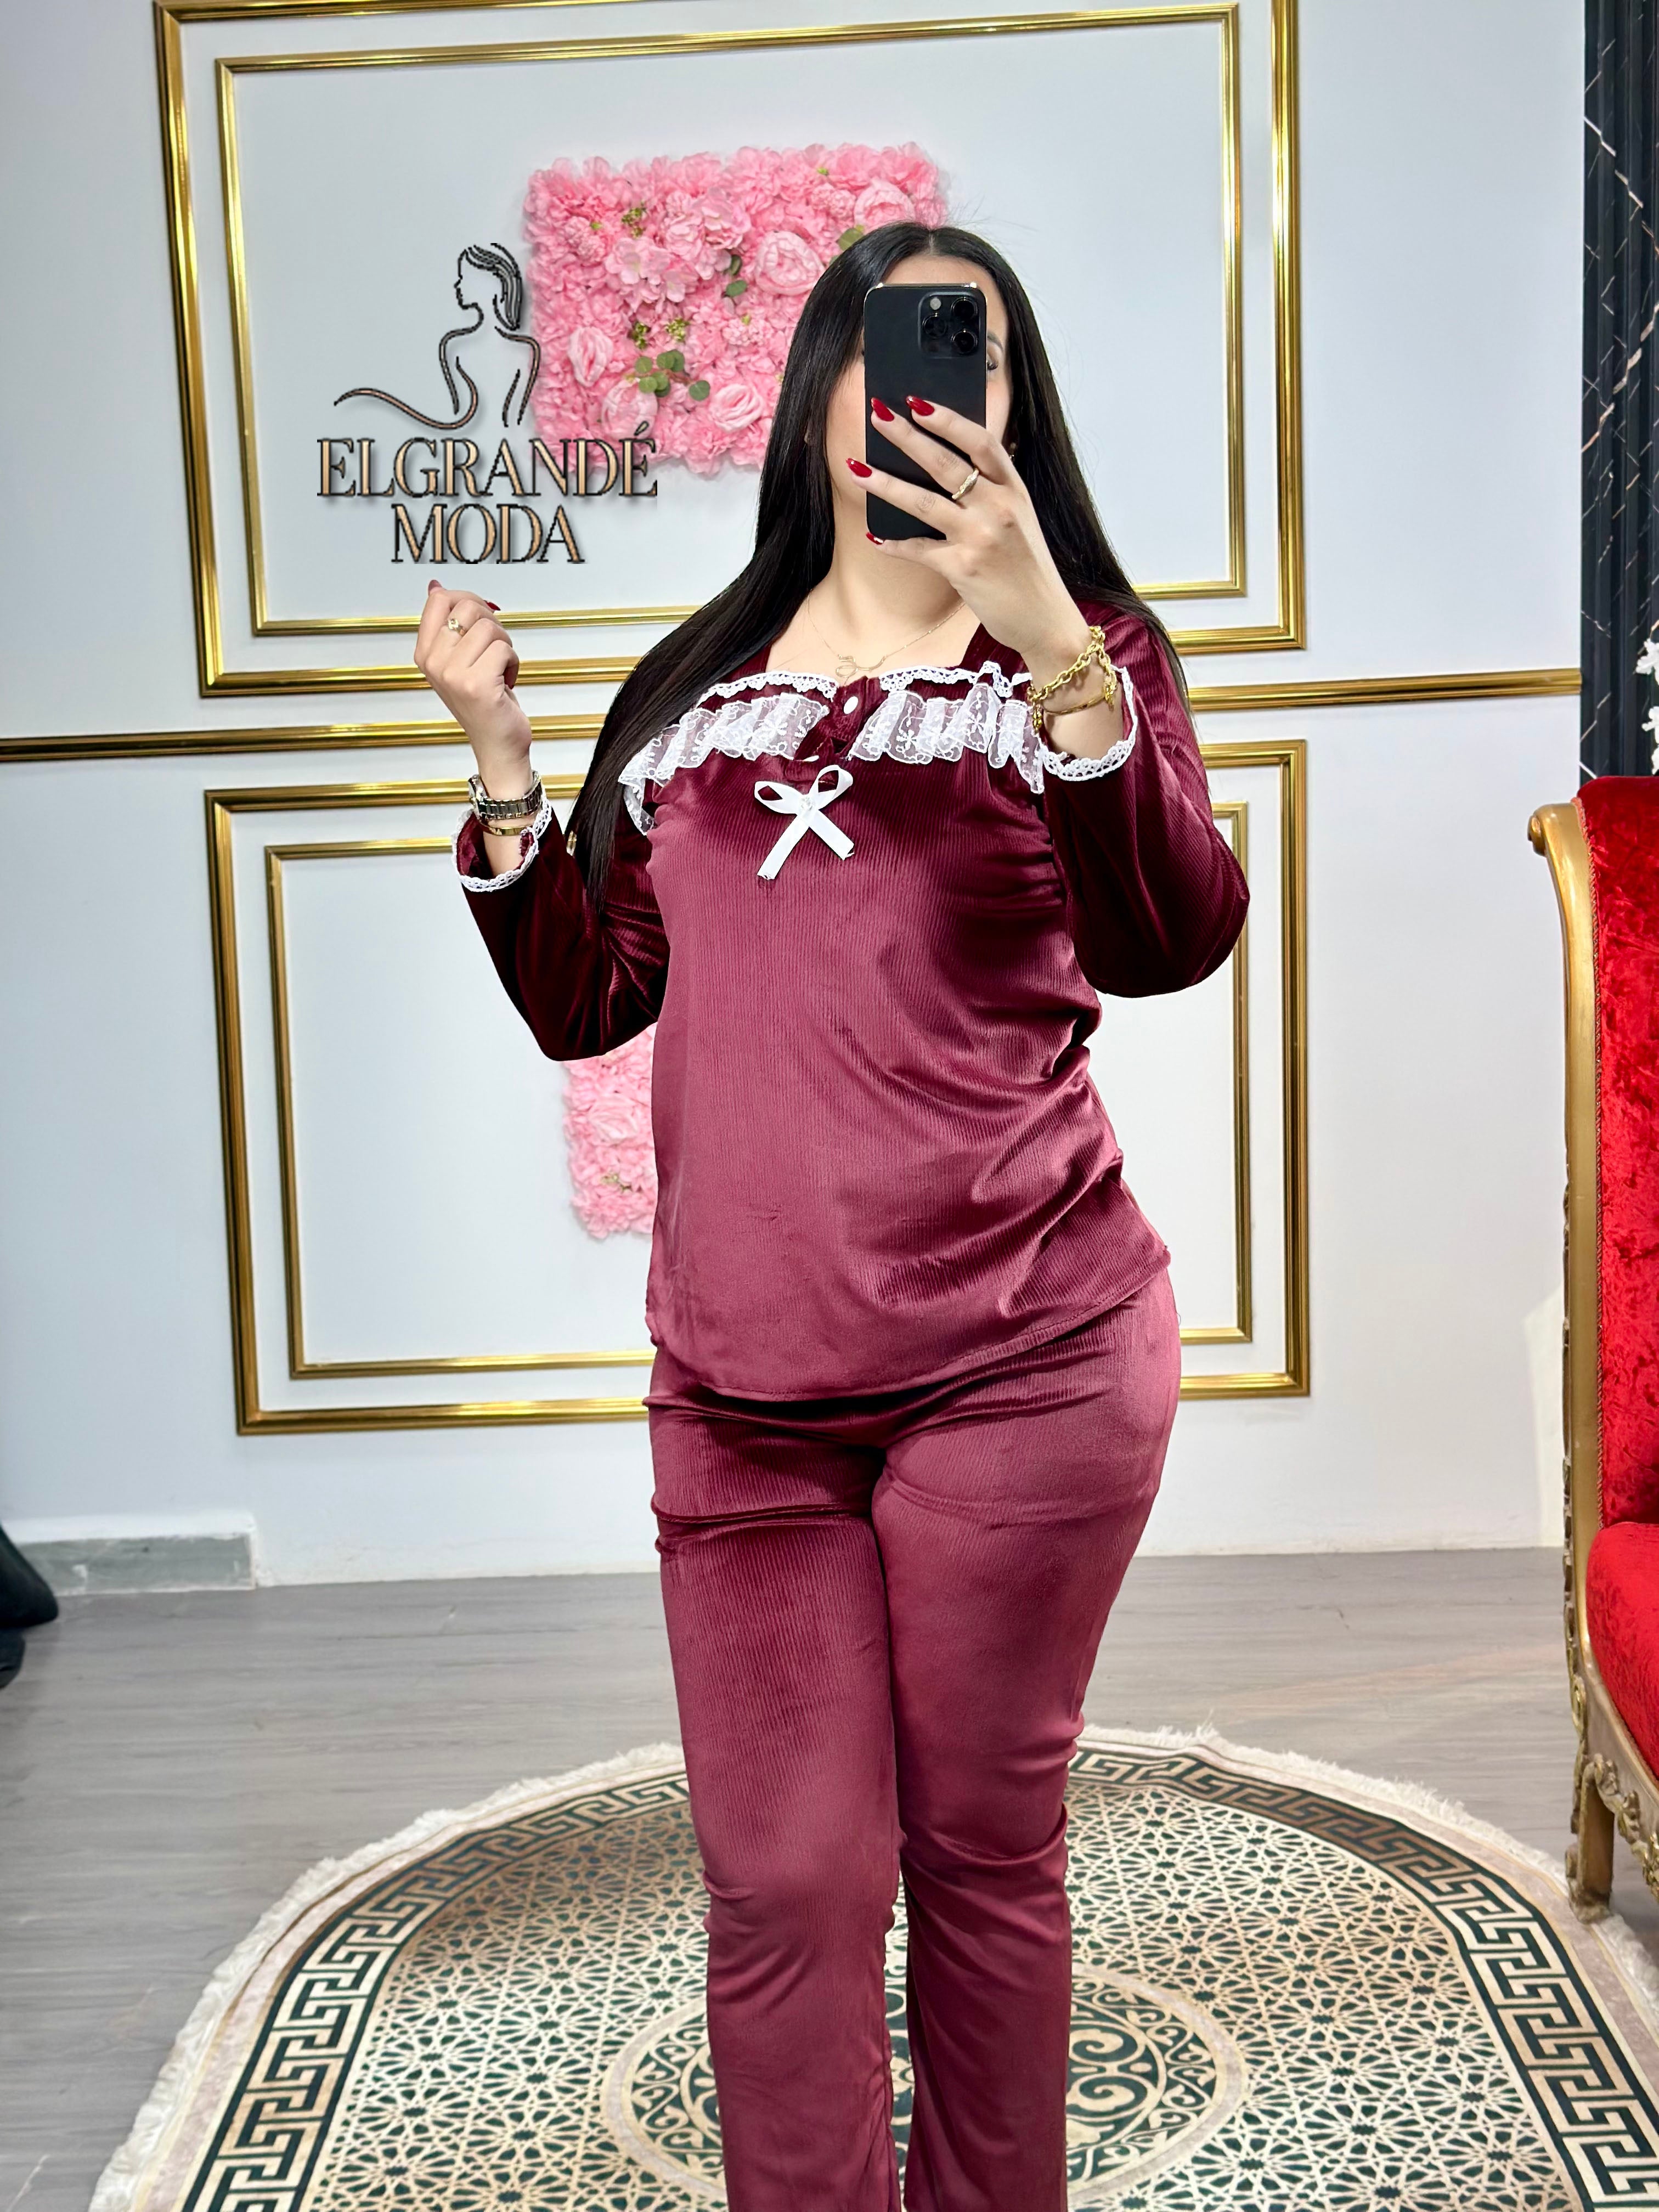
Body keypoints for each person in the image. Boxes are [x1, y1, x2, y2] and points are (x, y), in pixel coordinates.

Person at [416, 221, 1248, 2212]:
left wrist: (1050, 639)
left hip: (1027, 1370)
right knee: (785, 1878)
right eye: (891, 345)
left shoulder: (1085, 661)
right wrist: (506, 771)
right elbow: (591, 997)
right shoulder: (697, 689)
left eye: (975, 353)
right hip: (741, 1394)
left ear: (1016, 409)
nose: (931, 385)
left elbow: (1171, 937)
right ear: (817, 394)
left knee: (979, 1850)